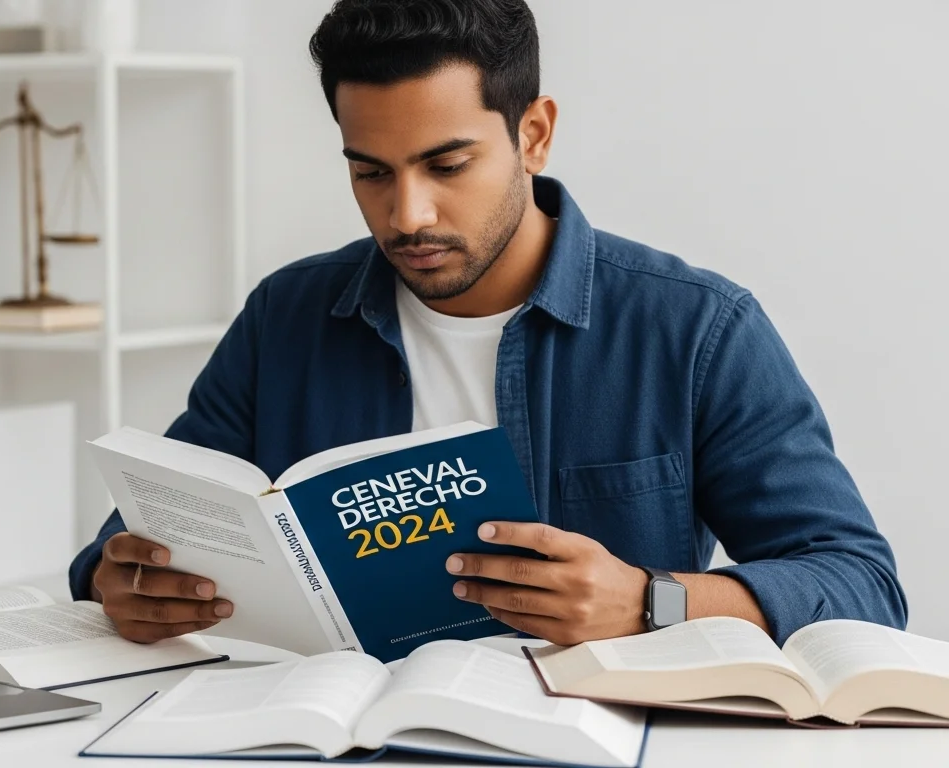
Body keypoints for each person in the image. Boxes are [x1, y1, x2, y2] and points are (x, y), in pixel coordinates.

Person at [68, 0, 906, 648]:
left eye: (447, 164)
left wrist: (654, 601)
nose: (407, 214)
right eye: (370, 172)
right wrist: (121, 579)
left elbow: (861, 583)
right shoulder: (286, 317)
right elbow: (142, 533)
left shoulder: (694, 328)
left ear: (533, 133)